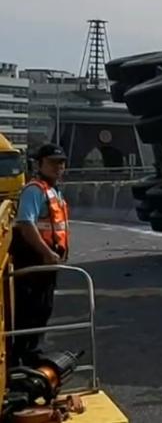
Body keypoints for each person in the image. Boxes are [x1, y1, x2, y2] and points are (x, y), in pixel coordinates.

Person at [10, 144, 69, 365]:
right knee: (29, 311)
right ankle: (20, 358)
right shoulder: (34, 190)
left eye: (61, 162)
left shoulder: (53, 190)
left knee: (43, 308)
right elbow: (26, 223)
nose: (58, 167)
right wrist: (45, 252)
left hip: (48, 263)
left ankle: (32, 354)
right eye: (53, 162)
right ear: (39, 164)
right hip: (34, 261)